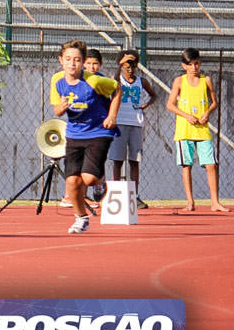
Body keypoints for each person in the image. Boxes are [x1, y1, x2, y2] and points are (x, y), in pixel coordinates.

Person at [50, 39, 120, 234]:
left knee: (87, 179)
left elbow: (117, 89)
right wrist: (61, 108)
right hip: (75, 134)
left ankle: (100, 181)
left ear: (83, 62)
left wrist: (112, 115)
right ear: (61, 60)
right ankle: (81, 218)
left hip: (99, 131)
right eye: (68, 59)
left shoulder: (94, 80)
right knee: (72, 181)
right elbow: (56, 110)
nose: (72, 64)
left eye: (77, 60)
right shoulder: (57, 80)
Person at [165, 47, 229, 213]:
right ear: (184, 65)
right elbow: (170, 105)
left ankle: (214, 202)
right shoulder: (179, 81)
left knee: (211, 165)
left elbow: (214, 102)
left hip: (202, 130)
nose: (194, 67)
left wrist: (207, 113)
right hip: (184, 130)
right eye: (191, 64)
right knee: (187, 165)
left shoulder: (206, 80)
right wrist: (186, 116)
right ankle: (190, 202)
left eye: (197, 63)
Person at [107, 49, 157, 208]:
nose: (130, 67)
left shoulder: (141, 81)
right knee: (117, 160)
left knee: (135, 160)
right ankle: (115, 194)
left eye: (133, 63)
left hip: (135, 123)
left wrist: (145, 105)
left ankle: (135, 195)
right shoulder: (116, 80)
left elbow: (153, 95)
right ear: (120, 64)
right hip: (119, 122)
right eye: (127, 63)